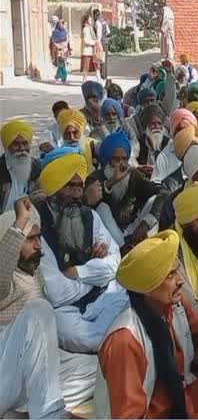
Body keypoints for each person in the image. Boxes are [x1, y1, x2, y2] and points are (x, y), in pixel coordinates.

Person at [94, 230, 198, 418]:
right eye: (170, 275)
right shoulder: (124, 339)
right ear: (148, 287)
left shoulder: (174, 304)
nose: (179, 281)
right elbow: (128, 415)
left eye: (177, 270)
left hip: (180, 397)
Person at [0, 197, 97, 417]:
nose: (38, 245)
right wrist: (20, 222)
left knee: (99, 368)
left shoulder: (34, 272)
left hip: (30, 381)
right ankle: (47, 413)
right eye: (30, 239)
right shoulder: (5, 277)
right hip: (4, 371)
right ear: (11, 241)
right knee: (39, 310)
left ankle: (23, 411)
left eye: (39, 237)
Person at [34, 149, 128, 353]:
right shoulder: (38, 229)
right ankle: (114, 337)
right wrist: (97, 273)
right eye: (70, 187)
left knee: (134, 301)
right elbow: (57, 294)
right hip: (68, 311)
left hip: (105, 296)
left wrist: (79, 272)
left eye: (79, 187)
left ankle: (115, 335)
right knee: (73, 333)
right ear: (54, 190)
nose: (77, 193)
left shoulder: (90, 216)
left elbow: (116, 263)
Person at [91, 132, 166, 246]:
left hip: (133, 230)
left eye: (124, 159)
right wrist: (111, 182)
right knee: (102, 208)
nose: (121, 164)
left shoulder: (133, 175)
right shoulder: (95, 177)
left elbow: (163, 191)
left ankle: (145, 244)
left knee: (155, 199)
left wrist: (147, 222)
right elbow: (88, 203)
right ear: (107, 160)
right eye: (116, 159)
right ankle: (123, 249)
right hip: (107, 236)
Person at [1, 121, 41, 213]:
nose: (22, 148)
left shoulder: (36, 168)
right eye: (16, 144)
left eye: (25, 143)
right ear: (6, 146)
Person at [93, 9, 111, 82]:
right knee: (105, 58)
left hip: (101, 42)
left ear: (94, 15)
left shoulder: (97, 22)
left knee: (100, 58)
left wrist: (98, 42)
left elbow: (99, 34)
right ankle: (105, 75)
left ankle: (102, 75)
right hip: (106, 41)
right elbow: (108, 31)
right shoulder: (103, 20)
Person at [80, 14, 96, 82]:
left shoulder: (90, 28)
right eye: (90, 20)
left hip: (90, 50)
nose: (91, 21)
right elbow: (86, 40)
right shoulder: (86, 29)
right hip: (87, 50)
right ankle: (84, 80)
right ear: (86, 21)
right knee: (86, 67)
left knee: (92, 66)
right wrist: (94, 42)